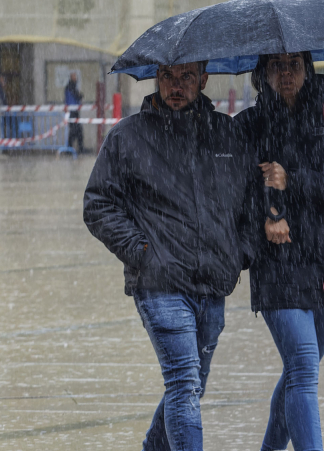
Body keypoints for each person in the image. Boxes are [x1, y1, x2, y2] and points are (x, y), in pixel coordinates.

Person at [83, 61, 261, 451]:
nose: (175, 86)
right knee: (183, 381)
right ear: (156, 79)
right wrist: (142, 251)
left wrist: (238, 253)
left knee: (192, 385)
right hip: (159, 282)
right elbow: (98, 204)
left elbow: (252, 202)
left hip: (213, 280)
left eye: (185, 77)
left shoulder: (226, 134)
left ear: (203, 79)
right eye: (167, 77)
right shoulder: (129, 137)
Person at [235, 52, 324, 451]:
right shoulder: (250, 125)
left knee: (298, 373)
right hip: (275, 265)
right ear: (263, 74)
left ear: (308, 68)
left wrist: (295, 181)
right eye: (277, 65)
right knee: (303, 367)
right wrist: (265, 214)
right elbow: (232, 190)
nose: (286, 73)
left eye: (294, 64)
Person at [64, 72, 84, 153]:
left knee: (74, 131)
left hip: (73, 111)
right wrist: (81, 95)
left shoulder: (70, 86)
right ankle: (75, 149)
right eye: (74, 77)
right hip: (73, 111)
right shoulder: (71, 86)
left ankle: (71, 149)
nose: (75, 78)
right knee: (76, 131)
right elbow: (78, 95)